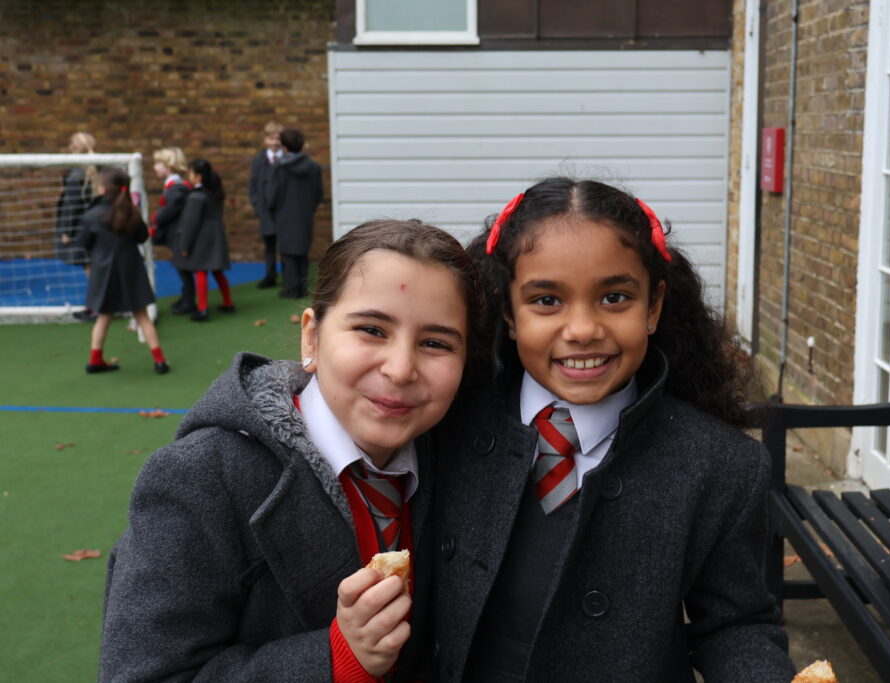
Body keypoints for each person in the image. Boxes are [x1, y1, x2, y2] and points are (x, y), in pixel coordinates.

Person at [433, 177, 796, 681]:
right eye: (546, 301)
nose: (583, 329)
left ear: (653, 306)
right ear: (507, 312)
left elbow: (736, 625)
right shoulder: (446, 426)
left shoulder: (721, 467)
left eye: (614, 297)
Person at [100, 219, 484, 681]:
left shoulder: (457, 457)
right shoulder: (202, 479)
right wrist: (334, 660)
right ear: (311, 338)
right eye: (371, 330)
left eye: (436, 343)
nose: (401, 369)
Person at [75, 167, 169, 375]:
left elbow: (83, 242)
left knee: (104, 316)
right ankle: (160, 360)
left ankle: (95, 360)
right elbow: (143, 237)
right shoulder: (131, 212)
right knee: (142, 315)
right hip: (131, 269)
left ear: (103, 188)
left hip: (104, 272)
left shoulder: (93, 214)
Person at [177, 158, 235, 322]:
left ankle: (202, 308)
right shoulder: (215, 192)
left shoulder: (196, 197)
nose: (189, 176)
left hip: (201, 238)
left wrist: (185, 245)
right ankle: (228, 303)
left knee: (200, 270)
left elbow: (190, 224)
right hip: (216, 236)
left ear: (198, 177)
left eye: (191, 173)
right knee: (217, 271)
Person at [269, 127, 323, 300]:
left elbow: (272, 194)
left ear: (284, 147)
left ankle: (292, 289)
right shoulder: (314, 167)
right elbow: (318, 194)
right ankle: (302, 288)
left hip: (284, 214)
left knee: (287, 252)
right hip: (305, 213)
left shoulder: (278, 167)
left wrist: (273, 208)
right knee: (302, 251)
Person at [55, 131, 98, 322]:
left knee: (91, 268)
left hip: (82, 228)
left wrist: (66, 231)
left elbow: (72, 206)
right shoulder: (92, 170)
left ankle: (97, 307)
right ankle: (96, 305)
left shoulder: (76, 175)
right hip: (93, 225)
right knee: (92, 266)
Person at [150, 146, 195, 314]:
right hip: (176, 233)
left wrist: (156, 218)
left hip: (179, 233)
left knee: (183, 268)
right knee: (180, 267)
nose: (154, 167)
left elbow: (170, 209)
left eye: (158, 163)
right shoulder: (174, 186)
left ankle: (188, 301)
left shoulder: (177, 188)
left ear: (168, 166)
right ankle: (185, 297)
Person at [249, 120, 284, 289]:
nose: (274, 142)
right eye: (271, 139)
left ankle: (289, 277)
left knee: (286, 246)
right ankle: (270, 275)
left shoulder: (287, 159)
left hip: (284, 211)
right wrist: (258, 206)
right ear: (265, 140)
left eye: (277, 139)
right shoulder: (259, 160)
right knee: (269, 246)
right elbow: (253, 186)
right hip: (266, 212)